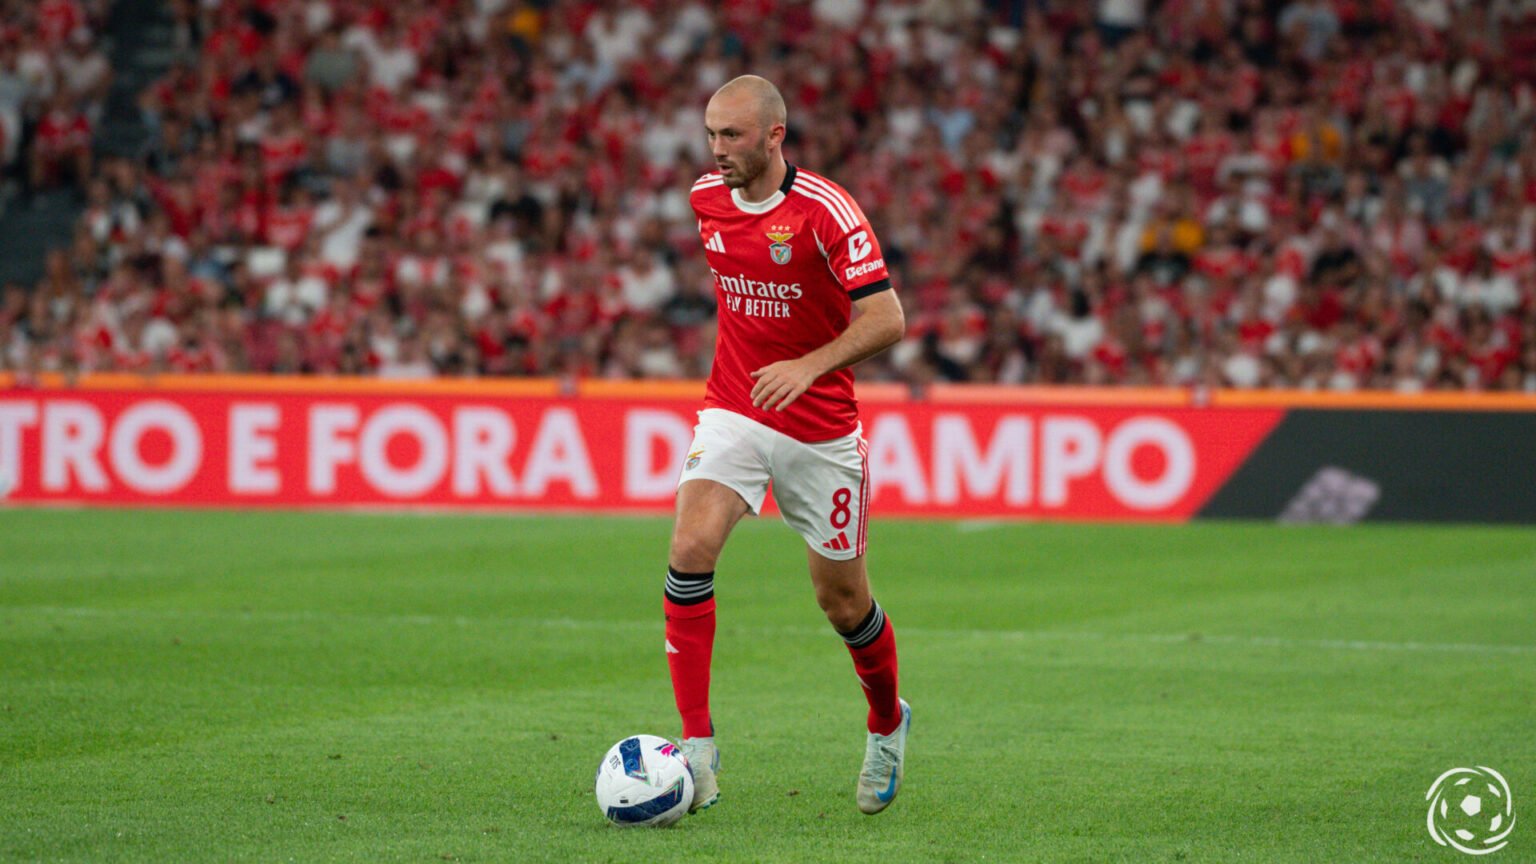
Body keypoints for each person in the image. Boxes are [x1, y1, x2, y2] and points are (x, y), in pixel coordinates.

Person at [664, 75, 910, 816]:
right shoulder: (706, 200)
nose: (717, 150)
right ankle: (697, 750)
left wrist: (807, 366)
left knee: (842, 603)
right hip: (735, 410)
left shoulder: (826, 211)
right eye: (710, 134)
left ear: (775, 136)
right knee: (690, 547)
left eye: (732, 136)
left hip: (821, 427)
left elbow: (889, 317)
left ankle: (887, 721)